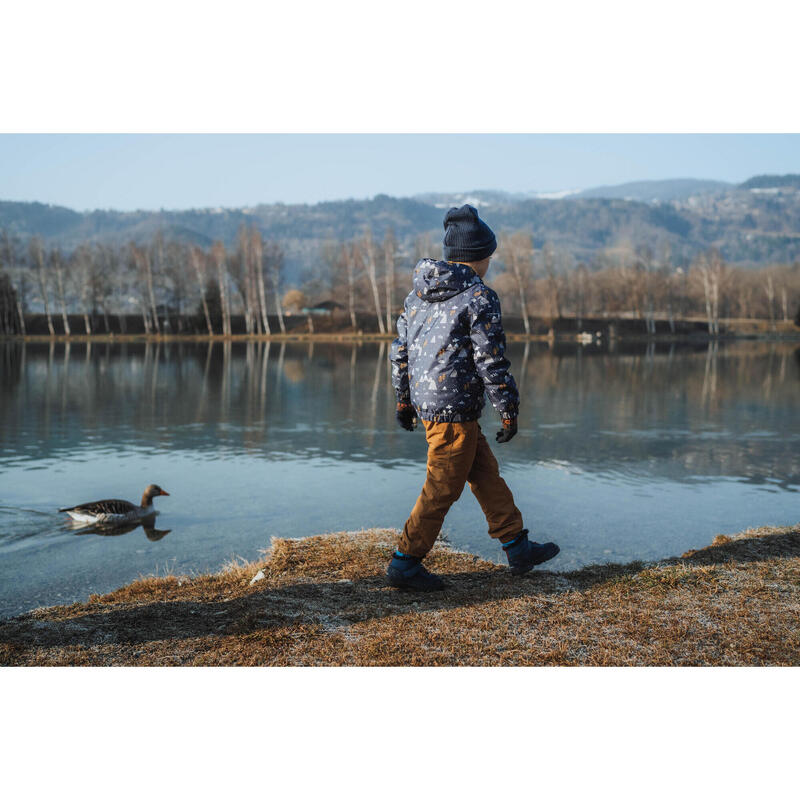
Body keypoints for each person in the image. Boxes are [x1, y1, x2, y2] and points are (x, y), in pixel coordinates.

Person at [388, 204, 560, 591]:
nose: (490, 263)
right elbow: (491, 359)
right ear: (480, 256)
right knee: (442, 486)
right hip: (454, 411)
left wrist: (403, 400)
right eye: (490, 256)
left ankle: (517, 546)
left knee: (483, 474)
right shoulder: (478, 296)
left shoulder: (417, 295)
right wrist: (508, 410)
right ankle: (405, 562)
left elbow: (400, 351)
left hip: (436, 407)